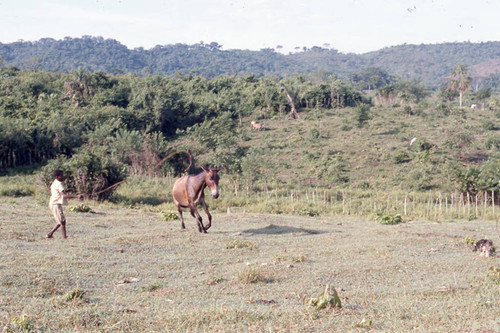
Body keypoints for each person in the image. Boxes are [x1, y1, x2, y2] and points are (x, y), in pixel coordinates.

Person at [46, 170, 82, 239]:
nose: (63, 177)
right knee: (62, 221)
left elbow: (60, 193)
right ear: (57, 177)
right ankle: (64, 238)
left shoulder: (55, 183)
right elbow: (64, 196)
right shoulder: (59, 184)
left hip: (54, 203)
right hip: (55, 204)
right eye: (61, 175)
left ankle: (50, 234)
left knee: (60, 221)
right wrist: (76, 196)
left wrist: (68, 191)